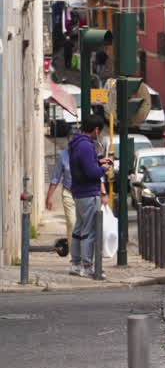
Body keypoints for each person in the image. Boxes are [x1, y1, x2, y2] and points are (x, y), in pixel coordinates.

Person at [68, 116, 112, 277]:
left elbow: (84, 166)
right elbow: (91, 172)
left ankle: (75, 264)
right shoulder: (86, 146)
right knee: (89, 230)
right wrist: (104, 168)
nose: (99, 134)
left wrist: (98, 161)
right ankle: (87, 266)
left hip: (79, 192)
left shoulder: (77, 143)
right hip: (88, 193)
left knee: (79, 228)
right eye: (99, 131)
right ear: (96, 130)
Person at [44, 147, 77, 246]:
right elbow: (56, 177)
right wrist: (49, 197)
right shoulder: (63, 156)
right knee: (72, 223)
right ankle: (73, 252)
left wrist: (102, 192)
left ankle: (84, 251)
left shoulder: (87, 152)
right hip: (69, 193)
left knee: (84, 225)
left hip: (84, 194)